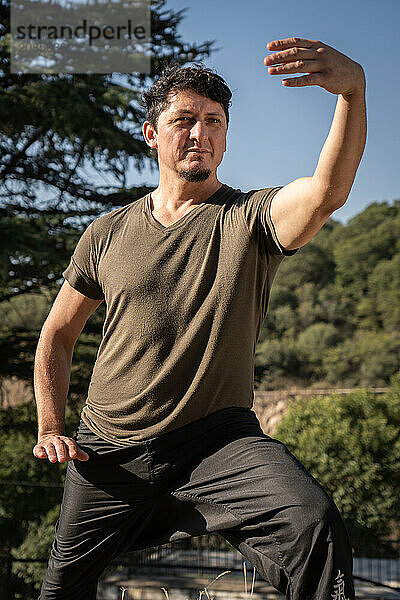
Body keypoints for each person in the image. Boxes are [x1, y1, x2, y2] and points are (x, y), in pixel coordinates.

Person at [33, 36, 366, 600]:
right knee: (62, 589)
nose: (200, 134)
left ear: (227, 135)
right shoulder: (107, 233)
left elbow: (327, 192)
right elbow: (58, 334)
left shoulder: (249, 218)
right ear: (152, 134)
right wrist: (51, 427)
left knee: (312, 523)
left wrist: (352, 93)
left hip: (218, 441)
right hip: (109, 447)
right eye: (184, 119)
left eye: (214, 121)